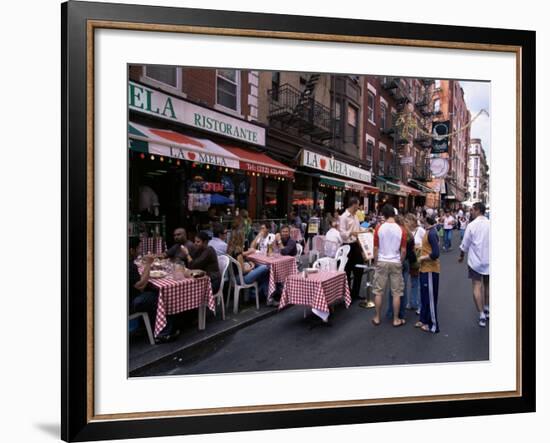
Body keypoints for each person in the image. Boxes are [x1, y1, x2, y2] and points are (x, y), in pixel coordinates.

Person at [129, 237, 178, 343]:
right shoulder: (129, 265)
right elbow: (141, 285)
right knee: (162, 296)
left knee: (154, 292)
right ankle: (163, 333)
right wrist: (148, 264)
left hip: (131, 297)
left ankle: (146, 326)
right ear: (131, 250)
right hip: (131, 303)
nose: (138, 252)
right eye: (137, 249)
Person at [371, 204, 407, 327]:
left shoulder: (379, 228)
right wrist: (400, 261)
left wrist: (376, 261)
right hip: (396, 261)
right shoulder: (401, 229)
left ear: (384, 215)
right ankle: (396, 319)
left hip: (382, 260)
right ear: (394, 214)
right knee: (396, 292)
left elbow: (375, 248)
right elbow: (403, 250)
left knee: (378, 291)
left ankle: (377, 317)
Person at [459, 202, 490, 327]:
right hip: (490, 260)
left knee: (477, 286)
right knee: (487, 285)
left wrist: (461, 256)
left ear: (477, 210)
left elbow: (465, 244)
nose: (471, 212)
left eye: (472, 210)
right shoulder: (491, 224)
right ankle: (487, 308)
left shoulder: (471, 225)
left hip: (475, 261)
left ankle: (482, 314)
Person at [226, 229, 271, 305]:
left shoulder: (230, 249)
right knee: (267, 267)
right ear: (240, 239)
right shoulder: (238, 253)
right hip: (241, 279)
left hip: (233, 278)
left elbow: (240, 266)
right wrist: (252, 267)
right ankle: (255, 294)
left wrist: (249, 264)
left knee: (263, 273)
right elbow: (243, 271)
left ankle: (260, 294)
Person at [385, 215, 416, 320]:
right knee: (403, 288)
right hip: (406, 261)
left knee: (393, 288)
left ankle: (391, 312)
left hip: (397, 260)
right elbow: (411, 248)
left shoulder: (396, 233)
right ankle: (401, 313)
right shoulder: (408, 233)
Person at [416, 216, 441, 333]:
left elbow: (436, 253)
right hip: (425, 269)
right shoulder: (429, 232)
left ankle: (432, 325)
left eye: (422, 220)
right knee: (425, 296)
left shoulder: (431, 233)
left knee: (430, 298)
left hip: (430, 269)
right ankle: (424, 320)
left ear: (426, 221)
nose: (420, 221)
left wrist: (422, 257)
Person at [339, 197, 365, 301]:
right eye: (358, 205)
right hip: (347, 246)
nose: (359, 207)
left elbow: (358, 231)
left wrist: (364, 231)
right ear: (354, 204)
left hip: (355, 244)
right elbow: (341, 233)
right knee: (347, 271)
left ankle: (355, 293)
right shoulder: (344, 217)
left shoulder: (356, 216)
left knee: (359, 270)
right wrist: (350, 233)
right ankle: (348, 294)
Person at [406, 214, 425, 314]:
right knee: (413, 282)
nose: (407, 223)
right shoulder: (406, 231)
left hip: (419, 259)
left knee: (420, 282)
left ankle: (420, 305)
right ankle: (412, 302)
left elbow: (427, 242)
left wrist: (420, 247)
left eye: (408, 221)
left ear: (413, 221)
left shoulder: (420, 230)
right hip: (411, 259)